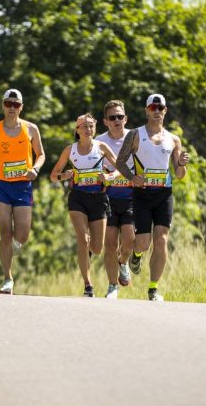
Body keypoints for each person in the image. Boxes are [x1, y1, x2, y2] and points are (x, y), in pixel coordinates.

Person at [115, 93, 189, 302]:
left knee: (162, 239)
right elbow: (120, 162)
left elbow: (180, 175)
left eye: (160, 108)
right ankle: (136, 256)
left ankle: (153, 289)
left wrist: (182, 164)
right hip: (142, 195)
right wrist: (132, 178)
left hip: (164, 194)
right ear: (147, 110)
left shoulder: (173, 139)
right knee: (143, 243)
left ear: (165, 111)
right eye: (153, 108)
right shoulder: (136, 135)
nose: (157, 111)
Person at [0, 89, 46, 295]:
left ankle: (13, 249)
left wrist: (35, 169)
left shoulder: (31, 129)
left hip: (23, 185)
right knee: (6, 232)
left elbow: (41, 155)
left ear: (21, 107)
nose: (12, 108)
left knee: (22, 234)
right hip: (0, 185)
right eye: (8, 103)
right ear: (3, 105)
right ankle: (8, 279)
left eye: (16, 104)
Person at [50, 113, 120, 298]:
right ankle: (88, 285)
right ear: (77, 130)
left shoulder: (101, 147)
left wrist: (110, 177)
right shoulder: (70, 150)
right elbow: (53, 175)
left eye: (91, 126)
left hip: (98, 199)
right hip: (78, 198)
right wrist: (63, 176)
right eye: (84, 126)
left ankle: (85, 254)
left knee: (97, 249)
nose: (88, 129)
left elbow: (121, 168)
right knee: (83, 239)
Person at [95, 100, 135, 299]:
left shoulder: (134, 137)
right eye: (113, 118)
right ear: (105, 121)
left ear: (125, 119)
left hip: (130, 196)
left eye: (120, 117)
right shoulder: (99, 141)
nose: (117, 120)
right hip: (107, 198)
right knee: (109, 243)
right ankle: (112, 286)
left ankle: (123, 262)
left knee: (129, 241)